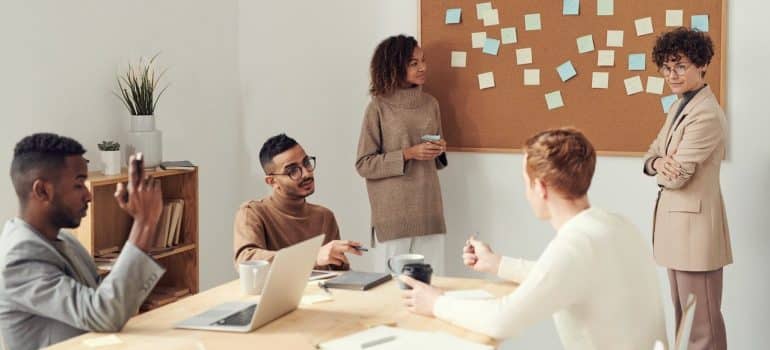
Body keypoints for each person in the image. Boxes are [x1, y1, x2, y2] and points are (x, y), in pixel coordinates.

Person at [401, 128, 667, 349]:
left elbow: (502, 319)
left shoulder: (575, 246)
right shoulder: (613, 224)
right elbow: (559, 276)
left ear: (540, 187)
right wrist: (497, 264)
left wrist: (437, 303)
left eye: (525, 182)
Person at [0, 133, 165, 350]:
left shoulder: (65, 241)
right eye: (79, 185)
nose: (89, 195)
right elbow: (103, 314)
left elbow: (105, 301)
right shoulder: (19, 258)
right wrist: (144, 223)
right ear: (42, 191)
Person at [643, 27, 731, 350]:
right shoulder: (678, 107)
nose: (672, 75)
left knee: (702, 329)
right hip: (678, 233)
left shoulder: (705, 114)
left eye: (680, 66)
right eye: (667, 67)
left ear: (702, 64)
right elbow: (651, 153)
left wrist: (663, 165)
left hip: (696, 236)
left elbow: (677, 176)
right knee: (685, 325)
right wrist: (657, 162)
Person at [355, 34, 448, 274]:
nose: (423, 67)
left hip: (429, 209)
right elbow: (364, 164)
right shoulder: (378, 107)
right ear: (394, 65)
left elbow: (434, 159)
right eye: (413, 63)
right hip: (394, 215)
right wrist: (408, 153)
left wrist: (438, 149)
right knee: (391, 291)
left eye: (423, 61)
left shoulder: (430, 104)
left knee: (433, 285)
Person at [234, 133, 361, 270]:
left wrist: (342, 263)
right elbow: (246, 260)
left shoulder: (325, 216)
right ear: (272, 181)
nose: (306, 173)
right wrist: (312, 257)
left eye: (306, 162)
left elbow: (340, 276)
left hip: (321, 291)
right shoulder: (252, 212)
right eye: (293, 171)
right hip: (278, 292)